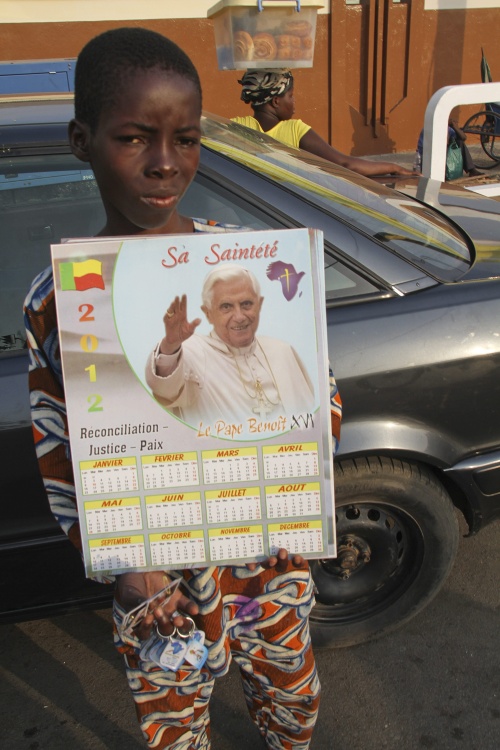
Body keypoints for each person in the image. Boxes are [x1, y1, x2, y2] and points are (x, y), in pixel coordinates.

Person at [23, 27, 342, 750]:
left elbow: (317, 397)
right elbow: (60, 448)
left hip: (265, 563)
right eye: (134, 138)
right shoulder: (62, 298)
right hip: (158, 583)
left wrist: (300, 493)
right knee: (173, 719)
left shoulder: (246, 259)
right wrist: (127, 565)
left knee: (292, 703)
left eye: (187, 139)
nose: (166, 162)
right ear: (82, 140)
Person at [146, 264, 314, 424]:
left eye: (246, 304)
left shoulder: (282, 351)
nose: (239, 316)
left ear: (259, 304)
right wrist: (170, 345)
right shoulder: (193, 352)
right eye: (226, 307)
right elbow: (164, 387)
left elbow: (312, 417)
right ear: (208, 313)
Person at [232, 68, 414, 178]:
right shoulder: (295, 130)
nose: (294, 101)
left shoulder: (235, 127)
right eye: (291, 96)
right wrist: (393, 167)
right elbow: (345, 164)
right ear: (276, 101)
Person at [413, 117, 483, 177]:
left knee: (460, 143)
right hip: (428, 156)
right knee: (445, 147)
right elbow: (435, 146)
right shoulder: (429, 128)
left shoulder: (447, 128)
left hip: (441, 152)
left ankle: (471, 170)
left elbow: (463, 137)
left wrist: (454, 126)